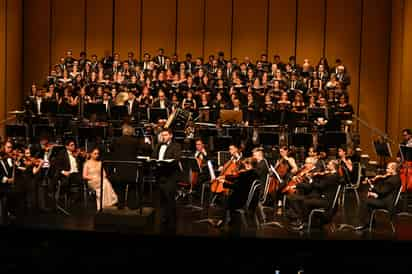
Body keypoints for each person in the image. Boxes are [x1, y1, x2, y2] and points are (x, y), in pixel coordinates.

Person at [287, 160, 341, 230]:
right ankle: (302, 220)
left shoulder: (332, 177)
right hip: (323, 198)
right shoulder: (332, 175)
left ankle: (304, 222)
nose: (327, 165)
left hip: (326, 201)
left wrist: (311, 181)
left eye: (329, 164)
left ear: (333, 166)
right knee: (303, 199)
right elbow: (321, 185)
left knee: (306, 202)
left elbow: (321, 186)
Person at [110, 124, 151, 209]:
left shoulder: (117, 140)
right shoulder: (135, 141)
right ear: (132, 132)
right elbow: (146, 148)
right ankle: (131, 205)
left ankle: (120, 205)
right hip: (131, 167)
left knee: (120, 187)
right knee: (132, 186)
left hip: (119, 167)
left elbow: (111, 148)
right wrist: (147, 142)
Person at [215, 157, 260, 228]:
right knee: (230, 196)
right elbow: (236, 178)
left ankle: (222, 220)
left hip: (241, 201)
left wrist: (224, 182)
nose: (244, 166)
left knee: (225, 199)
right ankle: (230, 220)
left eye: (245, 165)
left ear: (248, 165)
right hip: (250, 199)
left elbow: (236, 186)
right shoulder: (255, 174)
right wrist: (224, 177)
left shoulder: (245, 174)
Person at [356, 162, 401, 231]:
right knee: (369, 201)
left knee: (365, 200)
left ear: (393, 169)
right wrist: (374, 194)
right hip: (386, 199)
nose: (386, 170)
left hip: (386, 203)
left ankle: (363, 224)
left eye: (388, 168)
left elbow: (382, 191)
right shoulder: (395, 178)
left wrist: (372, 186)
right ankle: (369, 223)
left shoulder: (392, 180)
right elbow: (385, 191)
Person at [151, 128, 181, 232]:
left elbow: (176, 160)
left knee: (170, 201)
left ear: (171, 135)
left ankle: (172, 224)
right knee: (161, 201)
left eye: (166, 135)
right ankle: (163, 221)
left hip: (170, 177)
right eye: (162, 135)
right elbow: (154, 157)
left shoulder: (176, 146)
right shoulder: (158, 145)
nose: (164, 137)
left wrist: (165, 163)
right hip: (159, 176)